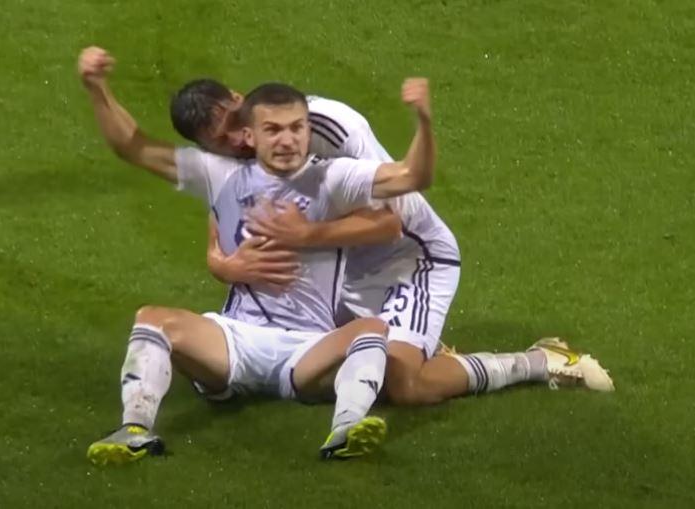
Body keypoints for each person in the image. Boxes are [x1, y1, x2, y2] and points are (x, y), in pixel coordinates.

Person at [77, 46, 438, 464]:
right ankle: (135, 428)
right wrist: (97, 87)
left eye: (296, 128)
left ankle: (346, 428)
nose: (286, 140)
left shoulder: (336, 176)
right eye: (272, 130)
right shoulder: (216, 173)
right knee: (152, 318)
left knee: (372, 329)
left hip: (307, 346)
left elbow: (413, 178)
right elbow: (134, 147)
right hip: (236, 338)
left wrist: (423, 121)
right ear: (252, 135)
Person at [169, 78, 615, 403]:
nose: (237, 144)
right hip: (345, 268)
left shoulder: (332, 128)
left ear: (238, 98)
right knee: (320, 364)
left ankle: (538, 361)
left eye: (234, 127)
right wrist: (220, 263)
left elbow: (390, 222)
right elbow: (226, 210)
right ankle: (418, 344)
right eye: (221, 143)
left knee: (405, 387)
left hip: (406, 261)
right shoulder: (252, 142)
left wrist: (307, 235)